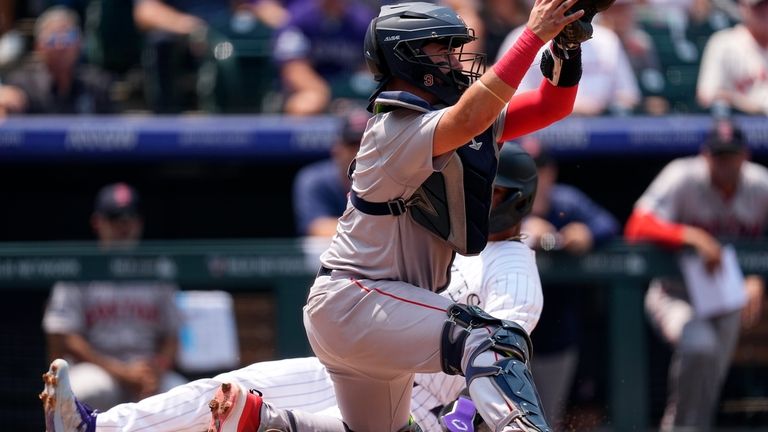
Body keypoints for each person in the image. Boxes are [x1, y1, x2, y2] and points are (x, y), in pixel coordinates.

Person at [40, 144, 545, 432]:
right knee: (220, 393)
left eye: (493, 190)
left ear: (516, 202)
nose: (479, 195)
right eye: (481, 184)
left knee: (264, 422)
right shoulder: (453, 241)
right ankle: (95, 428)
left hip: (418, 409)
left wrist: (470, 413)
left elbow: (502, 354)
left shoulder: (515, 268)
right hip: (361, 366)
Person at [624, 118, 768, 430]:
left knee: (712, 375)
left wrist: (759, 277)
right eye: (719, 155)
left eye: (731, 155)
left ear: (745, 156)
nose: (725, 163)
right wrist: (688, 235)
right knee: (699, 345)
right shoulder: (682, 176)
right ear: (706, 155)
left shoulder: (760, 185)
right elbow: (637, 225)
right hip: (674, 293)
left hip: (727, 296)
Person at [41, 182, 187, 412]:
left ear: (139, 222)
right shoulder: (79, 269)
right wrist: (121, 372)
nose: (123, 226)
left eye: (129, 219)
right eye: (115, 219)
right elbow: (64, 337)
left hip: (145, 372)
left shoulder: (158, 271)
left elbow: (172, 337)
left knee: (184, 399)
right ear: (97, 222)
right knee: (88, 390)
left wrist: (156, 370)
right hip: (96, 368)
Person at [518, 137, 620, 428]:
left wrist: (586, 232)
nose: (535, 177)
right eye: (527, 168)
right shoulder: (500, 199)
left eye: (541, 168)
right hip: (504, 334)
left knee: (545, 420)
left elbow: (609, 224)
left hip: (554, 335)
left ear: (552, 172)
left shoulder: (566, 202)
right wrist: (522, 230)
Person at [498, 13, 639, 115]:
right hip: (541, 131)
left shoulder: (606, 39)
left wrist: (604, 109)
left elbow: (628, 95)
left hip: (600, 128)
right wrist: (573, 108)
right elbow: (508, 102)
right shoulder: (521, 37)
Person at [2, 6, 115, 114]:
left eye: (68, 37)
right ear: (38, 47)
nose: (60, 45)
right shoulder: (21, 86)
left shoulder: (98, 86)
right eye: (52, 39)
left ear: (80, 44)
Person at [271, 0, 376, 115]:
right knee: (307, 104)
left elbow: (371, 66)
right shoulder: (298, 18)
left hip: (349, 88)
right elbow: (294, 69)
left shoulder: (362, 20)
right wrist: (326, 93)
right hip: (313, 90)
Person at [292, 108, 371, 237]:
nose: (359, 152)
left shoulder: (392, 178)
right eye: (353, 145)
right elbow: (319, 229)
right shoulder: (315, 179)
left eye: (365, 144)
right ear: (337, 149)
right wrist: (376, 229)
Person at [696, 0, 768, 115]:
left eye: (767, 6)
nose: (765, 12)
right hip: (742, 126)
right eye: (758, 8)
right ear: (743, 8)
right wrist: (755, 108)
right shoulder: (724, 43)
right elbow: (707, 96)